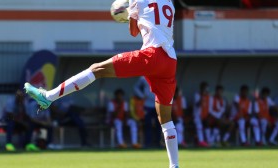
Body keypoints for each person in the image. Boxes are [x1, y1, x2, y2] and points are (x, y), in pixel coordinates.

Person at [25, 0, 179, 166]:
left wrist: (128, 15)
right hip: (170, 60)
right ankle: (174, 165)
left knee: (96, 69)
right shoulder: (169, 3)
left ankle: (48, 96)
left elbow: (133, 32)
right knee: (165, 118)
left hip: (152, 55)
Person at [134, 77, 162, 148]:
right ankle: (148, 143)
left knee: (159, 125)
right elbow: (136, 87)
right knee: (147, 125)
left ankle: (158, 143)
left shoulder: (159, 74)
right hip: (147, 105)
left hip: (158, 104)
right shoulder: (143, 77)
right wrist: (142, 96)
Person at [193, 82, 211, 147]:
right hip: (197, 115)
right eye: (205, 88)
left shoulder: (208, 96)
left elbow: (208, 106)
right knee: (199, 127)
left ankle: (208, 141)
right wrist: (202, 96)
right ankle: (200, 141)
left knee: (207, 125)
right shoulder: (197, 94)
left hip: (204, 115)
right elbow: (198, 104)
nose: (206, 89)